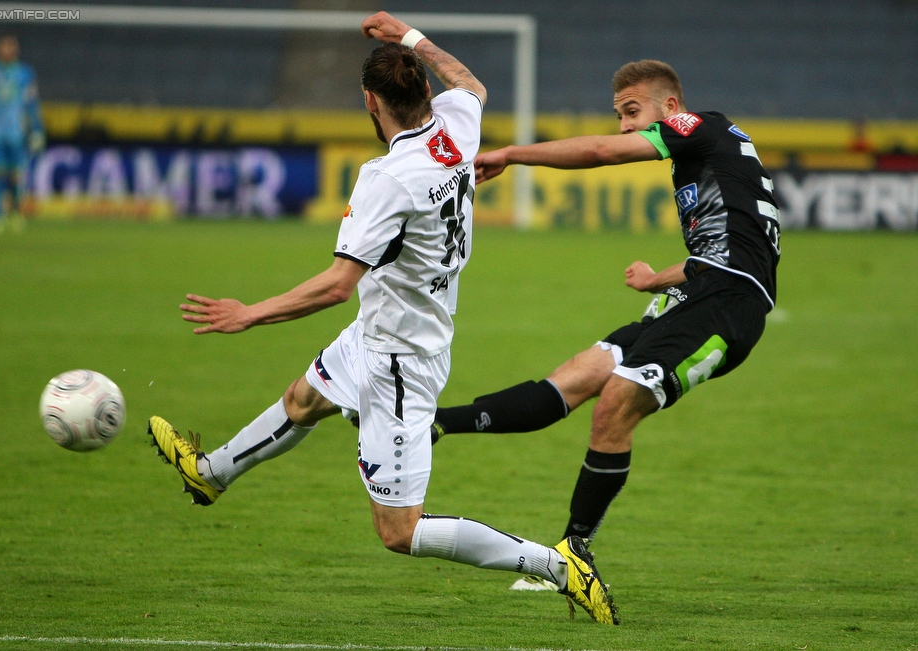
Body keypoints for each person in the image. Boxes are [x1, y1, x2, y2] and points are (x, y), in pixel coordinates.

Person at [147, 11, 619, 625]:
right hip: (385, 330)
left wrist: (249, 313)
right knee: (302, 400)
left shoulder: (387, 178)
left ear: (370, 101)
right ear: (426, 91)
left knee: (399, 530)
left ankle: (557, 567)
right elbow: (471, 82)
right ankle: (211, 475)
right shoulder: (457, 127)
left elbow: (339, 284)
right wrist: (412, 38)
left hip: (400, 357)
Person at [433, 60, 781, 588]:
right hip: (698, 291)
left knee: (617, 402)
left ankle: (573, 553)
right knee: (575, 378)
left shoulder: (700, 125)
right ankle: (433, 424)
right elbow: (729, 244)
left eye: (632, 112)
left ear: (670, 108)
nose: (624, 126)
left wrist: (510, 153)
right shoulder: (711, 157)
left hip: (726, 303)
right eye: (618, 115)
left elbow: (601, 152)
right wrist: (657, 279)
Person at [0, 34, 45, 235]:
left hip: (16, 130)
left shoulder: (25, 74)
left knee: (16, 175)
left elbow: (32, 103)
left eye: (11, 47)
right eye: (4, 47)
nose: (7, 51)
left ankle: (16, 213)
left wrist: (37, 129)